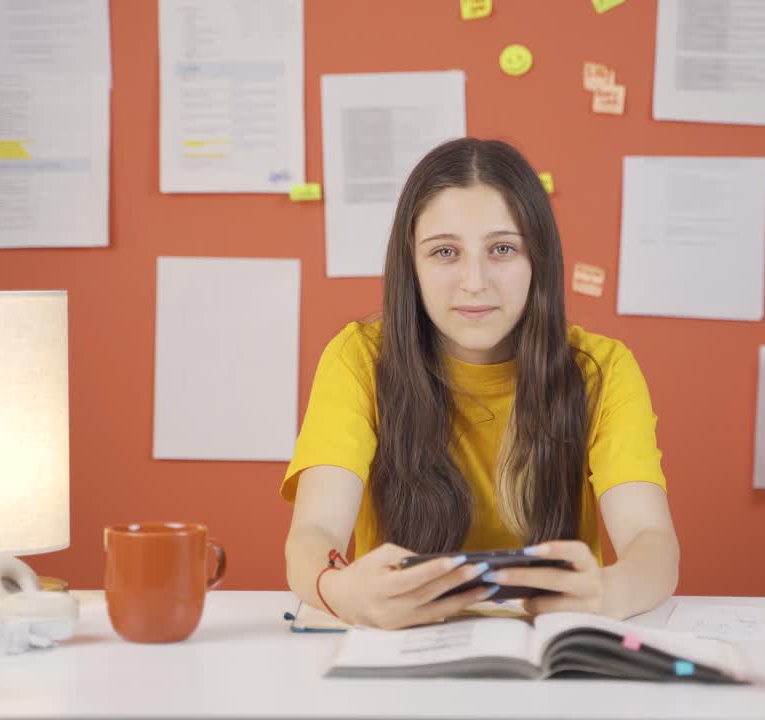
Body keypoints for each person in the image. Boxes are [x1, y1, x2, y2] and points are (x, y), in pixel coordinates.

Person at [282, 137, 678, 630]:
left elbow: (652, 543)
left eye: (503, 249)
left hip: (549, 651)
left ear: (540, 260)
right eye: (445, 252)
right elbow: (312, 534)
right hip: (401, 648)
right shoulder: (359, 358)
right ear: (412, 264)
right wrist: (340, 590)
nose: (474, 281)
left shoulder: (603, 369)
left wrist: (606, 591)